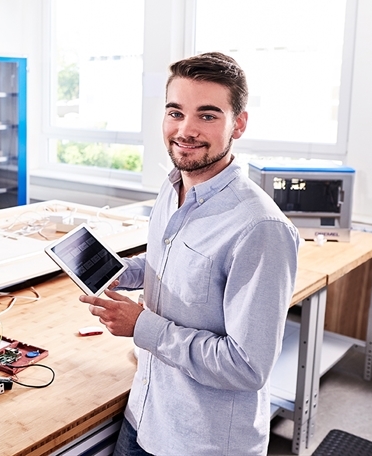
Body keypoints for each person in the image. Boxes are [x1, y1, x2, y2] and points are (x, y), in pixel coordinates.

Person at [80, 52, 299, 456]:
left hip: (201, 442)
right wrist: (122, 272)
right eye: (176, 112)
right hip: (143, 417)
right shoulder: (173, 186)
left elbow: (246, 366)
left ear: (239, 124)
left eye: (208, 115)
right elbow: (171, 266)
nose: (186, 130)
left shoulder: (261, 229)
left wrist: (142, 326)